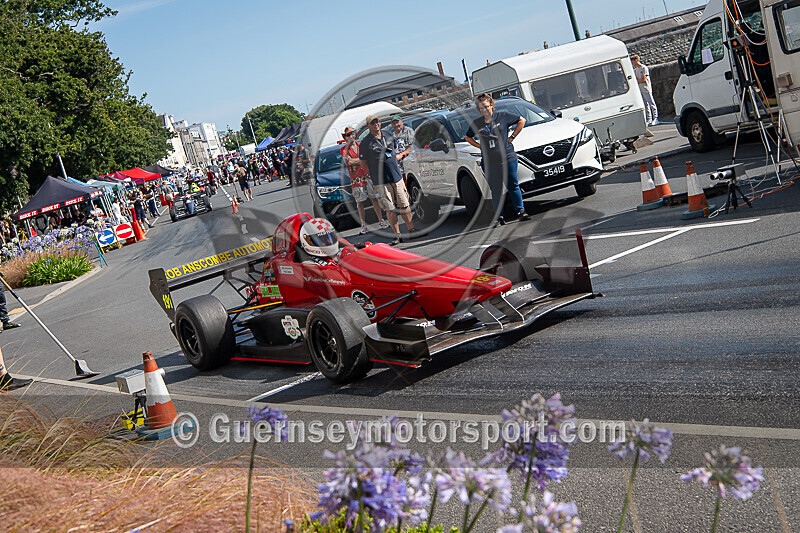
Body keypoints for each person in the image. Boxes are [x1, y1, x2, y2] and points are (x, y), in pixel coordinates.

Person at [465, 93, 530, 226]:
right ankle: (499, 217)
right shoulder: (477, 123)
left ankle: (521, 211)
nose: (485, 110)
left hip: (507, 157)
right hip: (490, 161)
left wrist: (512, 137)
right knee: (496, 190)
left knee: (513, 185)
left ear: (492, 105)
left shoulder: (503, 116)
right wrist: (480, 146)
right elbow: (468, 137)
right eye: (481, 108)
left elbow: (521, 120)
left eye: (486, 107)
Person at [359, 114, 417, 245]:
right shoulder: (365, 143)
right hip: (380, 180)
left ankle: (411, 229)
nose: (376, 124)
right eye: (372, 122)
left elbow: (394, 150)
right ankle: (397, 235)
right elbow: (363, 163)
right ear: (368, 126)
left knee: (404, 204)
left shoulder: (388, 134)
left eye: (377, 121)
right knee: (389, 208)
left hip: (395, 175)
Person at [340, 126, 386, 234]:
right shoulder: (343, 149)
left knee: (374, 198)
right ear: (345, 137)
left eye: (352, 133)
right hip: (356, 178)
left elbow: (370, 157)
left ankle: (381, 220)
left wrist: (360, 160)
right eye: (348, 135)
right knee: (360, 202)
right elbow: (349, 162)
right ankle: (364, 225)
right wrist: (363, 160)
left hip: (368, 175)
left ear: (355, 134)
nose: (350, 136)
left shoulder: (362, 145)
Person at [631, 54, 658, 126]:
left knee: (651, 103)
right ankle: (649, 119)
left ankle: (655, 118)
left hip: (646, 88)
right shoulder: (635, 70)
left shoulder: (643, 68)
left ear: (636, 61)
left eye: (633, 62)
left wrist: (638, 80)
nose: (632, 63)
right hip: (640, 89)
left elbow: (643, 79)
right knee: (645, 105)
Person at [387, 115, 415, 182]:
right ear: (392, 125)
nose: (396, 125)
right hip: (398, 168)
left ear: (402, 121)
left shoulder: (408, 131)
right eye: (394, 123)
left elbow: (414, 145)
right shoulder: (392, 136)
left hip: (409, 164)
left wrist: (402, 154)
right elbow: (388, 150)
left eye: (397, 122)